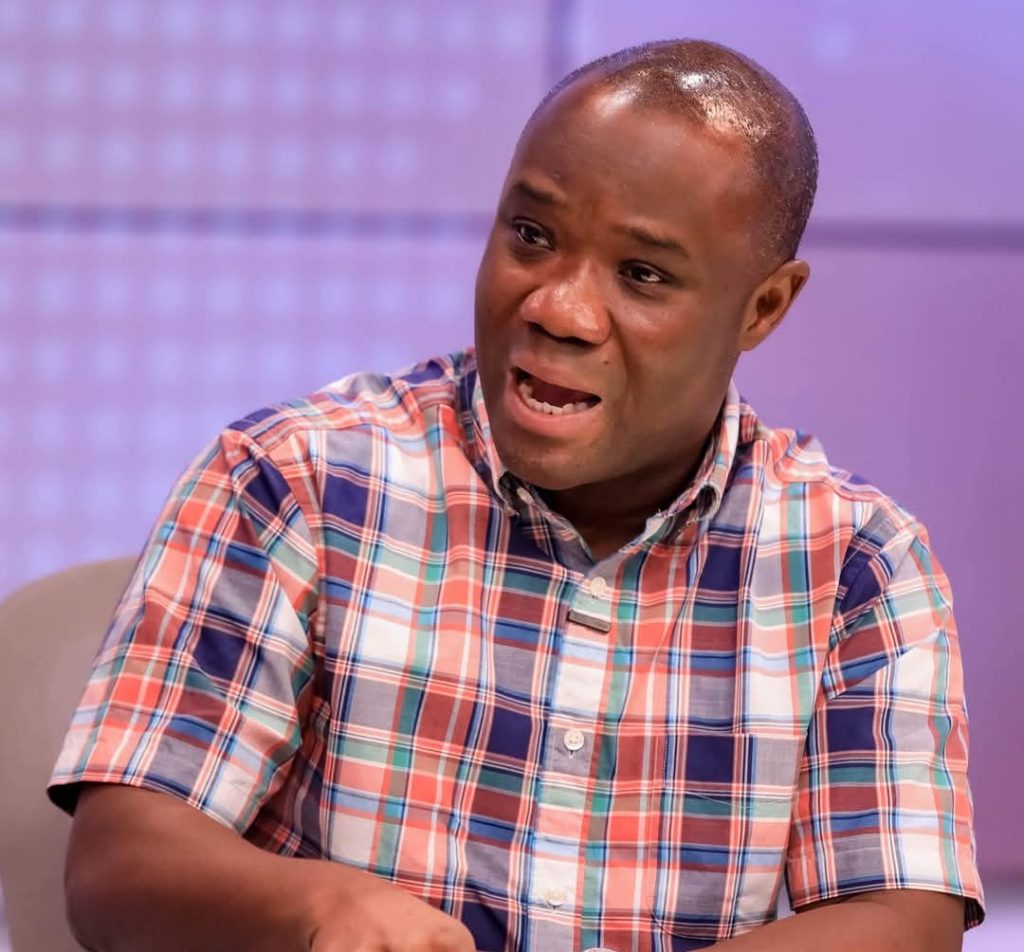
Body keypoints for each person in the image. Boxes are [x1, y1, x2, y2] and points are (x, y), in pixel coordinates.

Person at [49, 39, 983, 952]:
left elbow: (901, 916)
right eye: (532, 236)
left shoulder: (857, 564)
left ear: (764, 307)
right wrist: (318, 911)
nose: (557, 309)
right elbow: (117, 868)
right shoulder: (294, 477)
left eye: (643, 275)